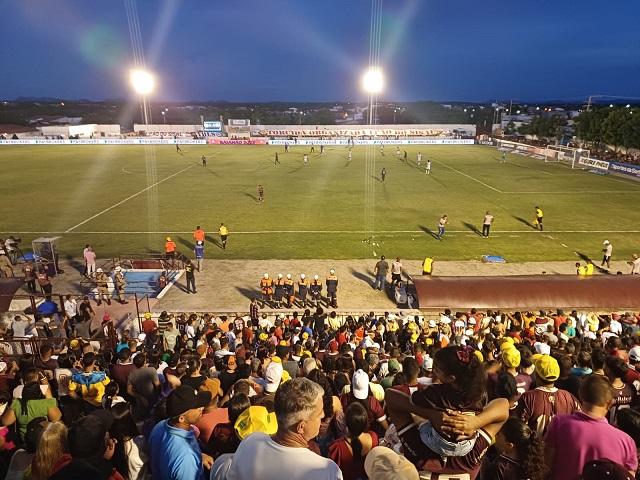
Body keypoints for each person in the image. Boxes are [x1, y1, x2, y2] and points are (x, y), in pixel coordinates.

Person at [226, 378, 343, 480]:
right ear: (301, 427)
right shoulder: (327, 471)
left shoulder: (249, 442)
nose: (323, 415)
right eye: (318, 414)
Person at [544, 374, 638, 480]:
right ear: (610, 403)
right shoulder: (627, 442)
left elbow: (546, 466)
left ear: (580, 395)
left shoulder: (558, 424)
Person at [149, 385, 213, 480]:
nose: (202, 408)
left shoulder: (160, 426)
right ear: (181, 418)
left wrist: (198, 456)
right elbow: (181, 457)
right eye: (196, 407)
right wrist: (191, 459)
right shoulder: (186, 458)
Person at [515, 354, 580, 436]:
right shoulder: (568, 397)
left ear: (536, 374)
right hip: (561, 447)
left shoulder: (528, 398)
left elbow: (519, 428)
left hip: (535, 447)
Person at [481, 417, 547, 480]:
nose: (495, 435)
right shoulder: (530, 464)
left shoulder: (499, 467)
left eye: (498, 434)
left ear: (509, 445)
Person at [329, 402, 379, 480]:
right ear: (366, 422)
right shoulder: (374, 437)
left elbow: (330, 473)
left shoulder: (337, 447)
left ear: (346, 422)